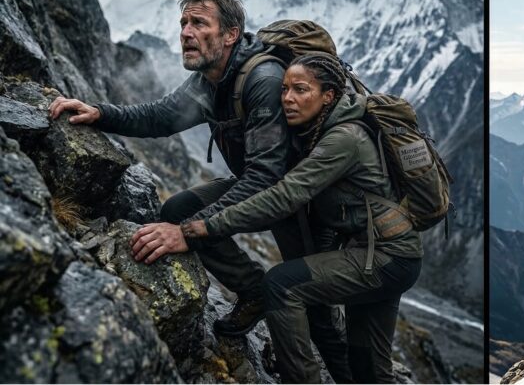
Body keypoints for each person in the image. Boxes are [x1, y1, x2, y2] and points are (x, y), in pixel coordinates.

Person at [47, 0, 351, 382]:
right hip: (262, 186)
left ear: (230, 34)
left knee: (319, 316)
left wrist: (189, 235)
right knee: (177, 209)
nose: (186, 32)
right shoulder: (210, 79)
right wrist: (99, 113)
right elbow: (159, 117)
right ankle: (253, 289)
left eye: (198, 23)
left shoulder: (263, 79)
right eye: (183, 23)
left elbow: (266, 178)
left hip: (305, 202)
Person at [138, 52, 423, 383]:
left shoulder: (343, 139)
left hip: (386, 259)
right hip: (386, 255)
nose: (287, 98)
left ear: (328, 96)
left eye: (300, 90)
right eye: (284, 89)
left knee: (282, 285)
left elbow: (286, 196)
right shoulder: (320, 128)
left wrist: (196, 230)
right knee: (368, 371)